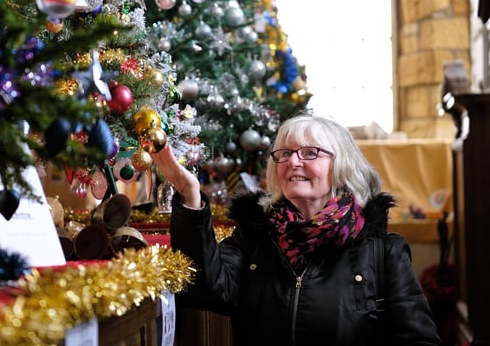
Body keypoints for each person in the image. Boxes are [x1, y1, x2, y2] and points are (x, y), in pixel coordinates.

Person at [151, 113, 442, 346]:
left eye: (310, 153)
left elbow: (420, 339)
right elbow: (206, 290)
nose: (293, 161)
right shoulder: (254, 238)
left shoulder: (383, 251)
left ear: (341, 165)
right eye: (285, 153)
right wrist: (190, 194)